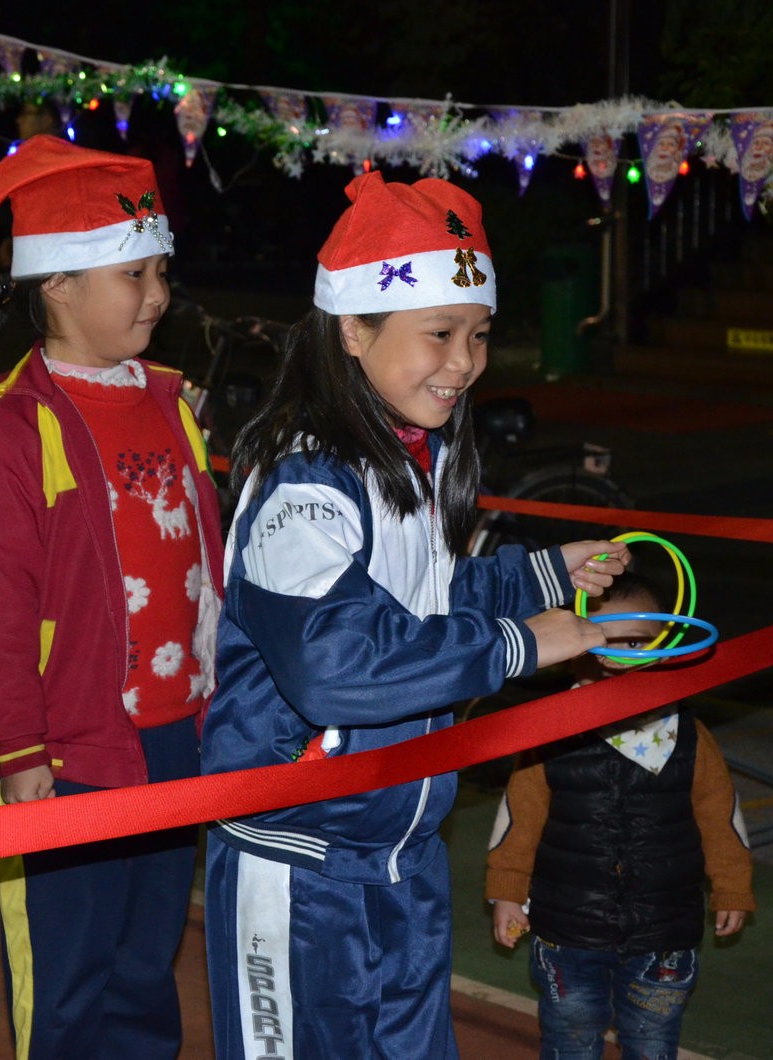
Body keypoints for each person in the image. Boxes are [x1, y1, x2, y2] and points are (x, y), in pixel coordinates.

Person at [198, 173, 631, 1059]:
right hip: (301, 860)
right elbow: (334, 662)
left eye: (478, 334)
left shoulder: (409, 458)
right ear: (352, 329)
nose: (465, 362)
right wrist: (514, 646)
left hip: (400, 853)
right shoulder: (305, 481)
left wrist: (542, 577)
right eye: (439, 333)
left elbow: (422, 607)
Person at [0, 135, 223, 1059]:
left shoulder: (173, 403)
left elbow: (205, 565)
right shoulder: (16, 426)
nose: (157, 295)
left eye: (161, 272)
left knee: (146, 962)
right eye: (134, 275)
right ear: (59, 285)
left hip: (177, 733)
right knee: (68, 973)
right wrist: (20, 749)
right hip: (76, 748)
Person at [486, 575, 755, 1059]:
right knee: (571, 1034)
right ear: (575, 646)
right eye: (603, 641)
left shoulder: (688, 735)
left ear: (665, 647)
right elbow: (519, 817)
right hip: (569, 927)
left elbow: (720, 817)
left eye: (635, 643)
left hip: (664, 930)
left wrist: (732, 886)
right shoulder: (552, 728)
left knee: (652, 1039)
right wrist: (507, 891)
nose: (617, 657)